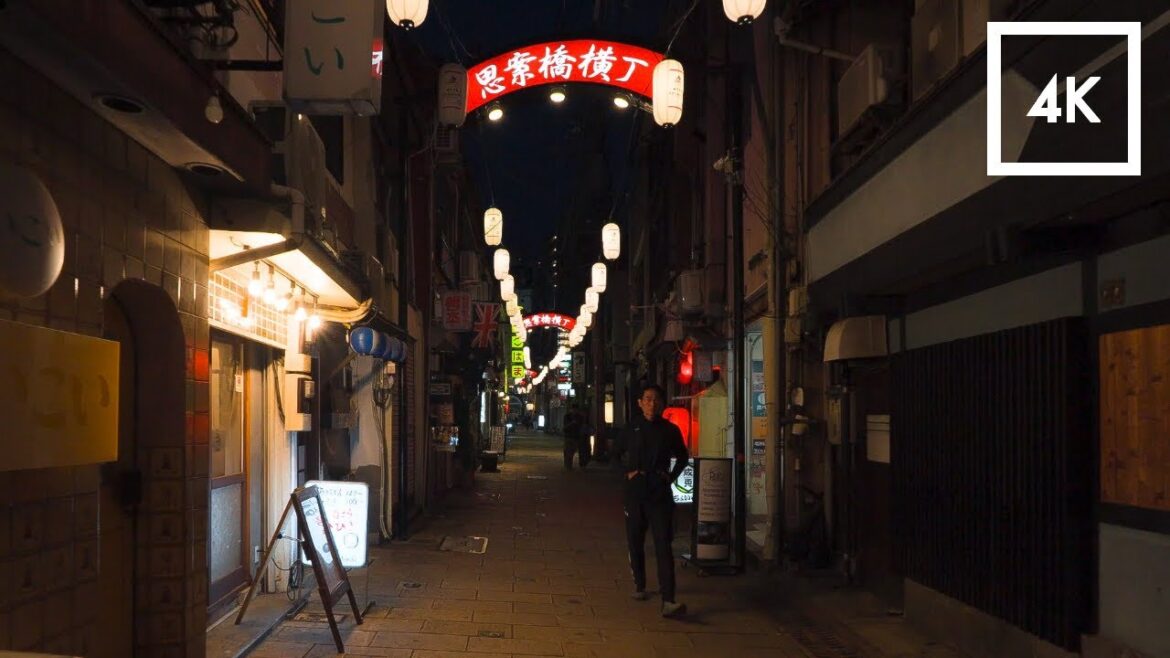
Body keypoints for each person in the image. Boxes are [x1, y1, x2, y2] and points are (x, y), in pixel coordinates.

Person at [621, 384, 689, 617]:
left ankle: (668, 598)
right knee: (635, 540)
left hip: (659, 494)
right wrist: (628, 473)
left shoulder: (670, 429)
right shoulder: (631, 428)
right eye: (648, 399)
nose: (652, 404)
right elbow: (615, 455)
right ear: (640, 402)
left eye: (656, 400)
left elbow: (683, 456)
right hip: (635, 493)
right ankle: (640, 584)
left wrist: (669, 476)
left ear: (662, 403)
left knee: (663, 543)